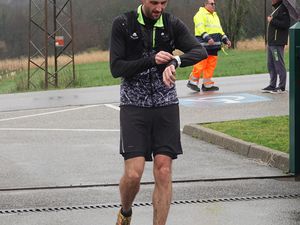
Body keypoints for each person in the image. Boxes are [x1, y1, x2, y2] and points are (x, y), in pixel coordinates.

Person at [109, 0, 207, 224]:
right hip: (134, 104)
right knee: (134, 174)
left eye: (164, 2)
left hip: (166, 103)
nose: (159, 8)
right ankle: (125, 211)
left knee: (163, 170)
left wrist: (176, 61)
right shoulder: (123, 24)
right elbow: (116, 68)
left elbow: (199, 51)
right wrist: (151, 60)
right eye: (154, 2)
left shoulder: (171, 23)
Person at [187, 0, 231, 92]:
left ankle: (207, 85)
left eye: (214, 4)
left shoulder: (215, 15)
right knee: (201, 64)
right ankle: (192, 82)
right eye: (211, 4)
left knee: (211, 65)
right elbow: (200, 28)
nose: (213, 5)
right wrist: (207, 38)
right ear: (205, 4)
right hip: (204, 44)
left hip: (214, 46)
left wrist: (226, 39)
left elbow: (219, 30)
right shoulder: (200, 14)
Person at [261, 0, 290, 94]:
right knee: (270, 64)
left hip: (277, 43)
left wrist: (272, 20)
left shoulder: (283, 9)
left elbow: (285, 24)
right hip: (271, 43)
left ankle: (281, 86)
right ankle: (272, 85)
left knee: (279, 64)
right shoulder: (276, 9)